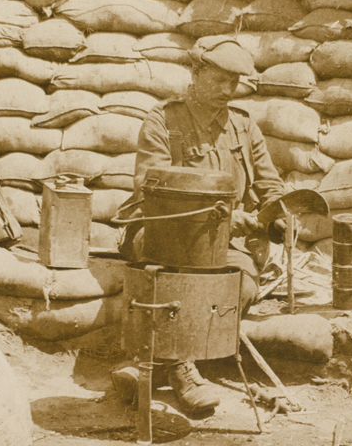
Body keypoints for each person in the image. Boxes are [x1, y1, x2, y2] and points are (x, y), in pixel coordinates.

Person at [114, 35, 286, 415]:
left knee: (240, 282)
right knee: (174, 276)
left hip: (224, 241)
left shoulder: (243, 125)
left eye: (235, 82)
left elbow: (270, 184)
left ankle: (153, 367)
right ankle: (182, 372)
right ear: (196, 72)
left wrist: (280, 215)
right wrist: (231, 218)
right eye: (220, 80)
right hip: (163, 230)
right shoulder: (163, 119)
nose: (229, 90)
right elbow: (151, 186)